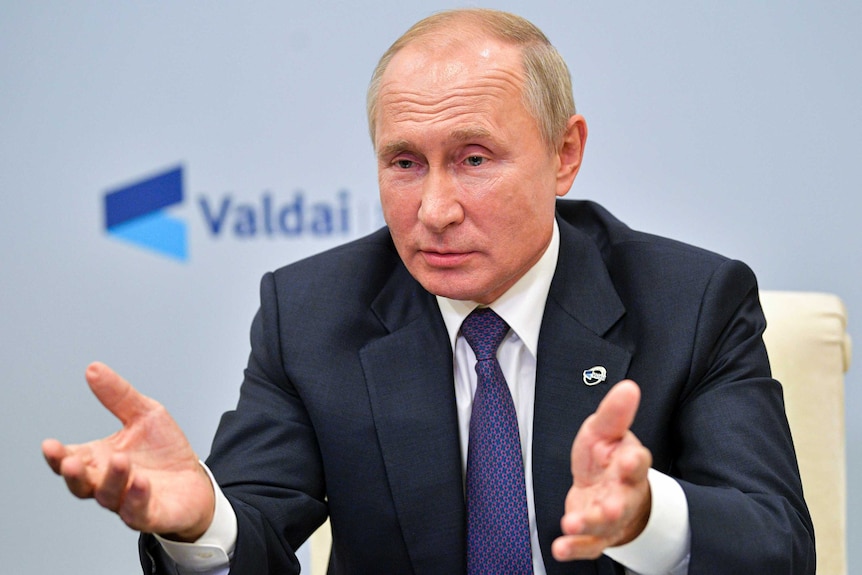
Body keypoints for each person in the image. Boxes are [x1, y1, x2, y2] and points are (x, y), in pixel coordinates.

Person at [43, 8, 815, 575]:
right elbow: (259, 540)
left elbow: (778, 546)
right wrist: (201, 522)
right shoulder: (310, 314)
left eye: (474, 158)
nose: (435, 209)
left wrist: (649, 514)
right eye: (405, 162)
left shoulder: (694, 300)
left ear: (564, 154)